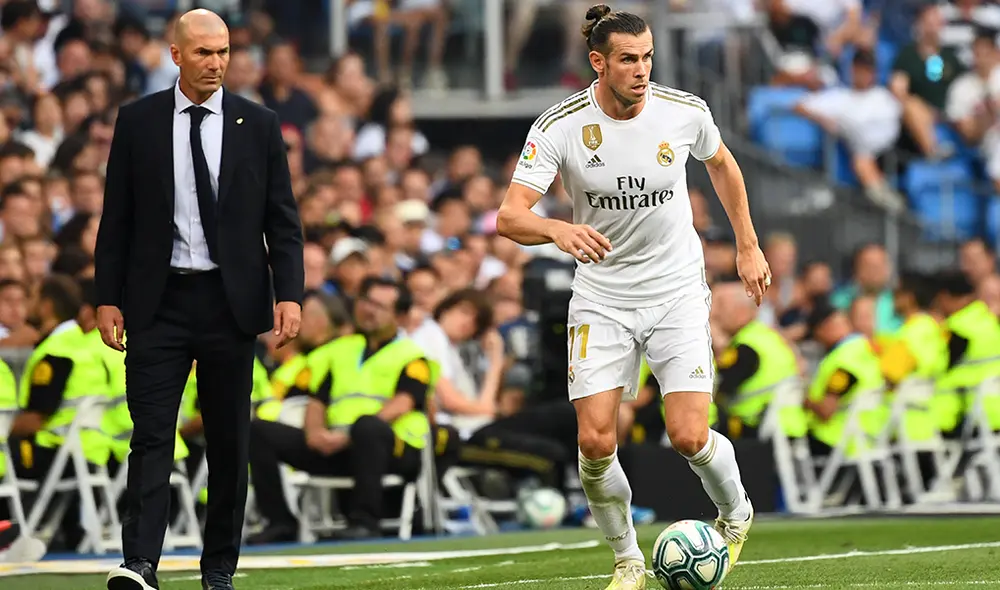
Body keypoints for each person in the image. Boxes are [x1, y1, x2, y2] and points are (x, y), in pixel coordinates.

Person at [496, 5, 770, 588]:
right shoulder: (559, 126)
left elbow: (722, 165)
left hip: (675, 290)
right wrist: (557, 229)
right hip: (602, 296)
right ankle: (627, 560)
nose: (642, 70)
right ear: (599, 63)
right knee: (595, 442)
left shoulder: (684, 111)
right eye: (628, 59)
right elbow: (509, 216)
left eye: (647, 57)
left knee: (689, 435)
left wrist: (747, 245)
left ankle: (736, 514)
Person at [94, 9, 304, 590]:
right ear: (177, 54)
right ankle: (140, 564)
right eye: (205, 52)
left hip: (229, 304)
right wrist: (105, 298)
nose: (216, 62)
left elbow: (282, 222)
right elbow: (118, 218)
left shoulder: (258, 124)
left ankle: (218, 570)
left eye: (224, 51)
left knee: (230, 441)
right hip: (156, 303)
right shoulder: (137, 122)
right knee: (152, 435)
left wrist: (289, 294)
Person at [246, 277, 434, 544]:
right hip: (337, 445)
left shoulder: (412, 355)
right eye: (367, 302)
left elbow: (404, 402)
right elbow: (317, 399)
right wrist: (315, 433)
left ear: (400, 316)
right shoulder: (340, 351)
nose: (369, 311)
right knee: (259, 431)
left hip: (391, 448)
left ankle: (364, 522)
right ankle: (280, 522)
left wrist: (348, 436)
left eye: (381, 306)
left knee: (368, 426)